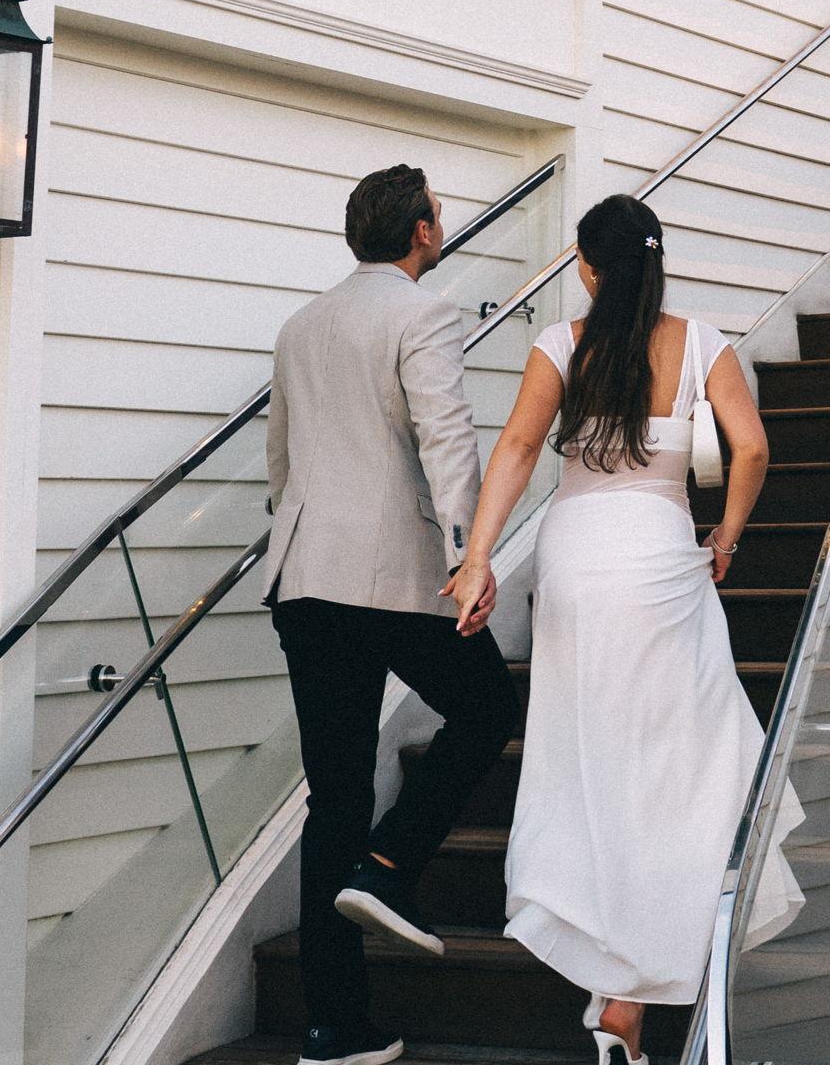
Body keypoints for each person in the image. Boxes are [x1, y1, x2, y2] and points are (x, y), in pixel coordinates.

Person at [447, 194, 802, 1065]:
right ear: (656, 261)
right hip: (658, 562)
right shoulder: (703, 343)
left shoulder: (560, 345)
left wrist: (479, 558)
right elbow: (752, 448)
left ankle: (616, 989)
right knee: (681, 766)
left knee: (589, 760)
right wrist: (727, 536)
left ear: (587, 267)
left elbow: (517, 449)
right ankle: (630, 991)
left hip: (577, 564)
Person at [267, 164, 521, 1065]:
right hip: (390, 577)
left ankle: (333, 1029)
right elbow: (446, 436)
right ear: (420, 231)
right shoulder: (424, 313)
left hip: (304, 578)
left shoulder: (301, 325)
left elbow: (280, 460)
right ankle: (390, 864)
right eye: (438, 216)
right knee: (488, 709)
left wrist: (299, 543)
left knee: (333, 798)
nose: (441, 226)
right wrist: (468, 556)